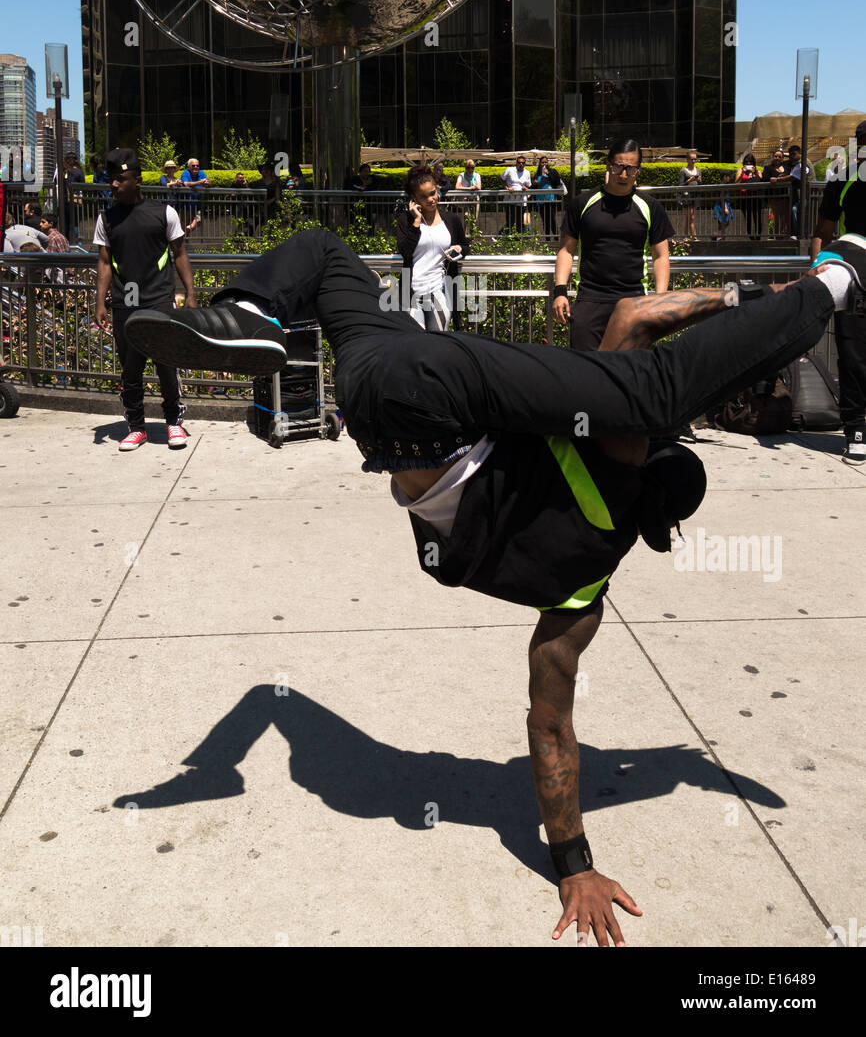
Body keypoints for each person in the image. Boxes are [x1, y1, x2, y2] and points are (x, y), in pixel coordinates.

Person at [125, 226, 866, 946]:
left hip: (427, 380)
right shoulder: (579, 599)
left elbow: (636, 315)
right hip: (378, 414)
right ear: (659, 528)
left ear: (650, 468)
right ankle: (248, 320)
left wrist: (748, 296)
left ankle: (838, 277)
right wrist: (574, 864)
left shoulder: (617, 452)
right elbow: (549, 728)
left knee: (655, 388)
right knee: (626, 390)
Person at [94, 148, 195, 452]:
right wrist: (100, 302)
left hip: (159, 299)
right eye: (111, 179)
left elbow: (180, 254)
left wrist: (191, 294)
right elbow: (104, 262)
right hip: (125, 302)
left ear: (136, 180)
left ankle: (173, 422)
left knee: (166, 364)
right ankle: (136, 427)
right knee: (130, 370)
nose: (114, 184)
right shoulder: (106, 218)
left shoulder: (164, 213)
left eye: (120, 178)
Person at [553, 138, 674, 352]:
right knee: (586, 367)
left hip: (634, 300)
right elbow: (566, 250)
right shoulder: (583, 203)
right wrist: (560, 291)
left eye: (631, 169)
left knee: (632, 368)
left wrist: (659, 299)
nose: (624, 174)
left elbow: (661, 256)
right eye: (619, 167)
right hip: (590, 299)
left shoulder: (650, 207)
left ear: (638, 171)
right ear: (608, 165)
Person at [811, 121, 866, 461]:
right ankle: (856, 429)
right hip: (853, 279)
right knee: (853, 356)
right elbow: (823, 231)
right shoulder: (842, 179)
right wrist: (817, 267)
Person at [395, 166, 469, 333]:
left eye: (433, 193)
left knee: (437, 340)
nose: (431, 199)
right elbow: (405, 251)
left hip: (439, 290)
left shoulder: (451, 219)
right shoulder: (406, 221)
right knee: (415, 341)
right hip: (411, 293)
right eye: (424, 196)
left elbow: (465, 246)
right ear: (414, 199)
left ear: (437, 189)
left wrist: (460, 249)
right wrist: (416, 222)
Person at [533, 155, 565, 237]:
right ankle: (547, 238)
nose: (544, 164)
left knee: (552, 219)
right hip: (540, 200)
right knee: (544, 220)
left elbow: (557, 181)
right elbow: (533, 186)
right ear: (540, 163)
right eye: (542, 162)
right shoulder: (537, 174)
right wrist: (534, 183)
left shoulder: (552, 171)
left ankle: (556, 237)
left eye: (546, 162)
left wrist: (548, 173)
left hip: (551, 199)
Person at [763, 149, 790, 238]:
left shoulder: (787, 165)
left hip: (787, 196)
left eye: (780, 157)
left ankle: (786, 236)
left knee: (786, 217)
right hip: (775, 196)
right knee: (777, 217)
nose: (777, 158)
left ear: (783, 158)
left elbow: (795, 157)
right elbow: (764, 179)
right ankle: (777, 236)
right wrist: (773, 179)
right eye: (775, 156)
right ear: (772, 157)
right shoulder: (768, 168)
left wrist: (784, 153)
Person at [38, 210, 70, 285]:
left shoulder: (50, 238)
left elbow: (49, 259)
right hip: (65, 272)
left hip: (56, 275)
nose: (40, 224)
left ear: (51, 224)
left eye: (43, 222)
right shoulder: (61, 236)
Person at [501, 155, 531, 232]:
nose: (521, 164)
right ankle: (501, 236)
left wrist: (525, 188)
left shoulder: (527, 172)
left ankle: (519, 237)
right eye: (519, 162)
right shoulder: (509, 170)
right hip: (510, 200)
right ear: (516, 163)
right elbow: (501, 179)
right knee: (510, 222)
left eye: (523, 163)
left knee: (520, 222)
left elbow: (528, 185)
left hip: (521, 201)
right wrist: (507, 188)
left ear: (525, 164)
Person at [736, 152, 763, 240]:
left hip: (756, 197)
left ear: (753, 163)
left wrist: (754, 173)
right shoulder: (740, 170)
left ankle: (758, 236)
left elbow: (761, 182)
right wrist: (742, 173)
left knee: (757, 217)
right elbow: (736, 183)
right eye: (746, 162)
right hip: (744, 197)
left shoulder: (758, 171)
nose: (748, 164)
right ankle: (750, 236)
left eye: (750, 162)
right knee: (748, 218)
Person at [788, 145, 812, 239]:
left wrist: (778, 179)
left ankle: (800, 234)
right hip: (805, 195)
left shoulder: (803, 163)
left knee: (799, 211)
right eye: (790, 155)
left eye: (793, 154)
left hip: (807, 194)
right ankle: (798, 233)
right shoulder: (802, 162)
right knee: (797, 210)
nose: (791, 157)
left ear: (800, 153)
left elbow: (793, 177)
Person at [677, 150, 701, 240]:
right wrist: (688, 181)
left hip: (695, 196)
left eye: (695, 159)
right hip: (687, 196)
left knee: (690, 218)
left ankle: (687, 236)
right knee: (690, 217)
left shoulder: (698, 170)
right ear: (687, 160)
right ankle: (693, 237)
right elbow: (680, 185)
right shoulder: (683, 171)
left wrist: (699, 181)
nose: (694, 161)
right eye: (692, 159)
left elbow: (700, 185)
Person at [63, 155, 86, 243]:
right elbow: (83, 185)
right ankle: (73, 241)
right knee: (75, 222)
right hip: (76, 199)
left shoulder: (66, 171)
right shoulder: (79, 172)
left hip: (65, 200)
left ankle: (67, 241)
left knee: (67, 222)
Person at [712, 172, 735, 243]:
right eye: (728, 176)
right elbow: (722, 197)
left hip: (722, 204)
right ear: (724, 176)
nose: (729, 178)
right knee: (723, 222)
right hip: (721, 205)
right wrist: (725, 207)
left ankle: (718, 236)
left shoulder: (723, 184)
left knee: (724, 222)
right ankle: (718, 236)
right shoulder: (722, 185)